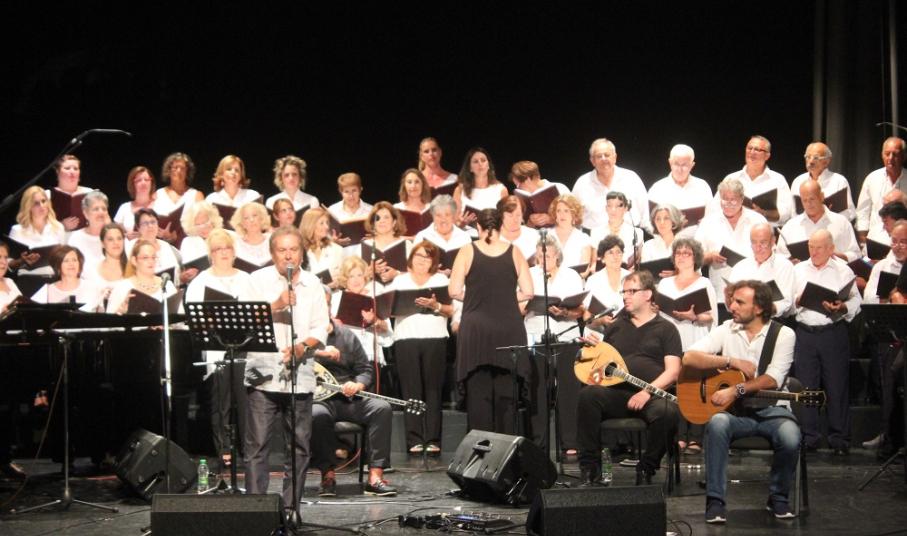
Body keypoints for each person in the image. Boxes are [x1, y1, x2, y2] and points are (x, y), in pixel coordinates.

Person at [683, 280, 799, 523]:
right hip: (735, 413)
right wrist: (731, 362)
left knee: (790, 436)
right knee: (717, 424)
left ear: (759, 308)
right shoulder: (727, 329)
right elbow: (689, 357)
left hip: (773, 411)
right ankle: (715, 501)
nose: (732, 306)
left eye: (739, 302)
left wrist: (736, 389)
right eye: (732, 301)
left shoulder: (783, 334)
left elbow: (773, 379)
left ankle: (778, 497)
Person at [243, 226, 329, 509]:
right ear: (272, 253)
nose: (288, 255)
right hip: (262, 375)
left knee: (299, 447)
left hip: (299, 374)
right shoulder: (257, 280)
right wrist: (276, 305)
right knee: (257, 446)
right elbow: (244, 320)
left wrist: (303, 346)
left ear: (302, 253)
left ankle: (291, 509)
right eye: (282, 250)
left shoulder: (313, 284)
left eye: (294, 249)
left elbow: (321, 327)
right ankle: (256, 510)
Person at [576, 270, 682, 485]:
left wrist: (645, 392)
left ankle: (647, 467)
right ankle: (590, 468)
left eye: (631, 291)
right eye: (623, 292)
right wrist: (595, 350)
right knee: (588, 395)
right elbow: (605, 364)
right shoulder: (616, 326)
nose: (625, 296)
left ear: (648, 294)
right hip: (618, 392)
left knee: (667, 412)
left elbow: (673, 371)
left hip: (651, 395)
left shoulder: (667, 329)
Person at [449, 208, 533, 435]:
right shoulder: (514, 251)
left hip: (477, 331)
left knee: (478, 395)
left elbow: (454, 290)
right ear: (500, 226)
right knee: (507, 398)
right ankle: (506, 452)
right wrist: (503, 298)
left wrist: (479, 297)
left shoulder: (467, 251)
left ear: (478, 227)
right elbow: (528, 292)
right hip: (508, 329)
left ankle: (480, 451)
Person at [185, 229, 257, 470]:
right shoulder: (201, 281)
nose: (223, 253)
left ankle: (248, 447)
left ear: (234, 252)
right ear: (211, 254)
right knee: (221, 399)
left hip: (244, 346)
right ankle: (224, 448)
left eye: (227, 248)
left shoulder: (246, 279)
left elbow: (257, 311)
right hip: (217, 347)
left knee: (245, 400)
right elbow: (193, 316)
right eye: (218, 249)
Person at [311, 302, 396, 497]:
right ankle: (327, 476)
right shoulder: (303, 337)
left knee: (381, 408)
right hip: (319, 400)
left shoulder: (346, 335)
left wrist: (358, 385)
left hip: (347, 398)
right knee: (317, 415)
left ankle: (375, 477)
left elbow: (365, 369)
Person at [792, 229, 861, 454]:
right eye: (811, 247)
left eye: (819, 248)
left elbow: (856, 300)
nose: (814, 252)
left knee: (836, 386)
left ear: (831, 249)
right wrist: (798, 300)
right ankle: (808, 437)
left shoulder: (843, 270)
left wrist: (842, 306)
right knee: (806, 386)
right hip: (805, 333)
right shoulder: (798, 270)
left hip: (833, 332)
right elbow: (787, 303)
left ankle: (839, 439)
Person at [388, 241, 452, 456]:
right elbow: (388, 308)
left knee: (433, 389)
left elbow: (452, 309)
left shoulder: (440, 280)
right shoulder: (400, 280)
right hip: (406, 338)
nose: (422, 261)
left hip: (435, 338)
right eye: (418, 256)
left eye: (427, 257)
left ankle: (433, 438)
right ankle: (414, 438)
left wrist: (435, 306)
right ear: (411, 258)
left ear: (433, 261)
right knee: (411, 390)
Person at [862, 220, 907, 454]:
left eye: (904, 242)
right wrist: (888, 297)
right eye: (895, 241)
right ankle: (888, 437)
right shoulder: (882, 266)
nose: (898, 246)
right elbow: (869, 297)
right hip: (889, 334)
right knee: (889, 388)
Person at [695, 178, 767, 322]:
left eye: (733, 200)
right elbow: (695, 258)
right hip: (721, 297)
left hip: (753, 297)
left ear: (742, 199)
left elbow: (770, 254)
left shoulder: (757, 221)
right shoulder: (709, 222)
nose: (728, 204)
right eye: (724, 199)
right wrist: (710, 256)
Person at [710, 135, 793, 227]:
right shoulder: (732, 178)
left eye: (757, 149)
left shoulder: (778, 179)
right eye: (749, 148)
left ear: (767, 156)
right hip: (734, 231)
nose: (752, 152)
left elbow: (786, 212)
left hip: (765, 231)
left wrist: (764, 213)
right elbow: (714, 207)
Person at [571, 138, 649, 232]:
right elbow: (572, 216)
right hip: (593, 238)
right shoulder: (582, 183)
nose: (603, 159)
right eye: (599, 156)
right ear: (592, 161)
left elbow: (646, 212)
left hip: (631, 236)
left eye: (607, 155)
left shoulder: (631, 178)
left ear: (615, 157)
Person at [777, 180, 861, 263]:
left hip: (835, 270)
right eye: (804, 200)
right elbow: (780, 258)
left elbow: (856, 255)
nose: (809, 204)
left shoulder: (841, 222)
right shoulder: (790, 227)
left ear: (821, 196)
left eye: (812, 199)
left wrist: (836, 256)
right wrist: (790, 263)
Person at [331, 256, 393, 366]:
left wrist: (375, 320)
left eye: (359, 275)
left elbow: (387, 332)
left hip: (369, 358)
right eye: (351, 276)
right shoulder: (336, 299)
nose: (356, 280)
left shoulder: (375, 296)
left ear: (365, 277)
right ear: (345, 279)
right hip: (343, 358)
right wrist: (333, 324)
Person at [728, 223, 795, 319]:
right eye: (754, 242)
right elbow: (731, 299)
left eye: (763, 243)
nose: (758, 248)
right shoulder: (740, 266)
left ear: (773, 241)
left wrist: (760, 310)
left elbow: (786, 302)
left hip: (773, 320)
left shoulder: (784, 266)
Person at [647, 144, 713, 238]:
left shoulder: (702, 186)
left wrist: (705, 224)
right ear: (670, 163)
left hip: (695, 242)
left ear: (692, 165)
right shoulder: (657, 188)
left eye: (684, 165)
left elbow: (712, 217)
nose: (680, 169)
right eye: (676, 164)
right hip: (666, 242)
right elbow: (648, 221)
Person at [106, 239, 181, 314]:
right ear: (134, 260)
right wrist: (121, 311)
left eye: (153, 257)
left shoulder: (167, 285)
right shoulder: (123, 287)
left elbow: (180, 316)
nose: (151, 261)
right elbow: (109, 319)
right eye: (145, 258)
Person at [856, 137, 907, 249]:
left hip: (903, 243)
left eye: (895, 154)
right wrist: (863, 241)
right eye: (887, 154)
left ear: (903, 156)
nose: (891, 158)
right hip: (875, 241)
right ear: (882, 155)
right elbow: (862, 212)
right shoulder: (872, 178)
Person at [8, 185, 66, 277]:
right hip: (27, 278)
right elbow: (8, 264)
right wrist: (21, 261)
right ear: (28, 206)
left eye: (43, 201)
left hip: (53, 278)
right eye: (36, 203)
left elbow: (64, 256)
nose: (41, 206)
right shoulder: (17, 230)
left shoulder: (58, 227)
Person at [790, 142, 856, 222]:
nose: (811, 161)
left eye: (816, 158)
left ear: (827, 161)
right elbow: (793, 212)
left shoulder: (839, 181)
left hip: (832, 226)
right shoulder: (798, 181)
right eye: (808, 157)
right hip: (805, 227)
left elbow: (850, 213)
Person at [413, 195, 473, 274]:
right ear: (432, 216)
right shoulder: (422, 236)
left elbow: (470, 268)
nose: (443, 220)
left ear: (453, 215)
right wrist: (432, 271)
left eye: (447, 215)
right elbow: (413, 267)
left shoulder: (465, 238)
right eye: (438, 215)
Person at [583, 236, 630, 332]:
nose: (615, 256)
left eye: (618, 252)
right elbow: (586, 317)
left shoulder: (631, 277)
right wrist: (601, 321)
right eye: (610, 253)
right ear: (602, 258)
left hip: (626, 330)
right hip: (598, 333)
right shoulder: (593, 280)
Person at [32, 245, 100, 311]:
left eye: (74, 260)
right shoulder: (48, 290)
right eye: (66, 261)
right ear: (58, 265)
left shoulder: (92, 288)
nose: (71, 264)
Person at [453, 147, 508, 228]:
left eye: (483, 160)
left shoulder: (501, 189)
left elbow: (506, 219)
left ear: (488, 165)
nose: (480, 164)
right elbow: (455, 221)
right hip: (467, 233)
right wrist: (461, 224)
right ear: (470, 168)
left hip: (492, 233)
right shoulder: (460, 190)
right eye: (475, 161)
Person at [125, 209, 182, 284]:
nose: (150, 226)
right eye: (145, 223)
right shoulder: (130, 247)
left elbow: (177, 272)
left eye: (153, 222)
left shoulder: (166, 246)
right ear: (138, 227)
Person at [359, 202, 410, 284]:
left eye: (386, 217)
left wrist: (397, 274)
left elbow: (418, 275)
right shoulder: (362, 247)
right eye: (378, 218)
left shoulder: (407, 245)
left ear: (394, 222)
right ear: (373, 223)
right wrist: (369, 272)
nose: (382, 221)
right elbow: (352, 278)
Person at [590, 191, 643, 268]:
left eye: (618, 206)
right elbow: (593, 263)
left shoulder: (637, 233)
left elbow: (637, 262)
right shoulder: (596, 232)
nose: (613, 210)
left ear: (626, 208)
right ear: (606, 208)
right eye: (610, 206)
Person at [509, 160, 570, 228]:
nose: (518, 188)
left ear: (527, 180)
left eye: (518, 184)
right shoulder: (521, 197)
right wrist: (530, 222)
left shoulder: (560, 188)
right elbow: (523, 226)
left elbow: (575, 217)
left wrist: (551, 219)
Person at [82, 223, 128, 307]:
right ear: (102, 243)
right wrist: (101, 297)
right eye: (110, 239)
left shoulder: (133, 270)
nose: (116, 243)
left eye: (119, 239)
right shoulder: (91, 270)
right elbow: (86, 302)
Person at [547, 194, 594, 274]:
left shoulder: (583, 238)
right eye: (558, 211)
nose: (562, 215)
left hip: (575, 280)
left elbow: (584, 271)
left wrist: (570, 279)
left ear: (574, 214)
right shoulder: (546, 235)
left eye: (566, 211)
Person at [179, 201, 224, 280]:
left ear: (213, 220)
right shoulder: (187, 242)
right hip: (201, 281)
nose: (203, 227)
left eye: (205, 222)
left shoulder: (226, 236)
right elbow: (187, 270)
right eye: (198, 225)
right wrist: (188, 275)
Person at [300, 207, 344, 287]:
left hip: (333, 293)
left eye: (327, 223)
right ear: (310, 225)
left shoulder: (337, 249)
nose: (327, 227)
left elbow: (345, 278)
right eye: (322, 223)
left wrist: (338, 282)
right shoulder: (299, 251)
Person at [49, 154, 94, 231]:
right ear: (57, 172)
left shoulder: (90, 193)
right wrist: (61, 225)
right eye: (67, 168)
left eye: (75, 168)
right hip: (58, 237)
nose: (72, 171)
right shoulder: (47, 195)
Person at [66, 191, 111, 266]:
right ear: (86, 213)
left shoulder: (114, 236)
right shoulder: (76, 238)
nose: (101, 212)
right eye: (96, 209)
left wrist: (110, 230)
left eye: (104, 209)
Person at [153, 152, 204, 218]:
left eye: (182, 168)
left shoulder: (197, 195)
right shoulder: (158, 194)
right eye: (175, 167)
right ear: (169, 171)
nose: (179, 171)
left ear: (187, 172)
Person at [641, 204, 684, 279]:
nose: (662, 222)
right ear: (654, 222)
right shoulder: (648, 245)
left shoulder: (685, 244)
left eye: (666, 218)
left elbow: (695, 272)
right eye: (658, 219)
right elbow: (644, 274)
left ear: (673, 221)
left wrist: (677, 274)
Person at [113, 166, 157, 239]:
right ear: (132, 184)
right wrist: (126, 235)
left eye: (146, 179)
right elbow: (115, 234)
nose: (143, 183)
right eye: (139, 180)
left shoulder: (160, 204)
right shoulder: (124, 208)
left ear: (151, 183)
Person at [230, 202, 273, 268]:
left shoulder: (273, 239)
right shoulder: (236, 244)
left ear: (261, 218)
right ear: (242, 223)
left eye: (255, 216)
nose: (251, 220)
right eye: (246, 218)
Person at [498, 195, 540, 262]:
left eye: (518, 215)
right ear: (501, 216)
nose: (515, 220)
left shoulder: (534, 236)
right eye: (510, 215)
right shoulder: (492, 237)